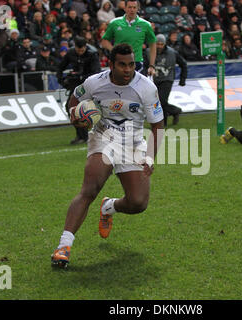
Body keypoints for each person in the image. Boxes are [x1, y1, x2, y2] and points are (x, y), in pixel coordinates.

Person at [51, 43, 164, 268]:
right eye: (122, 65)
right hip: (103, 138)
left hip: (132, 144)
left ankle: (109, 206)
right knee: (89, 189)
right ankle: (63, 246)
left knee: (138, 203)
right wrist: (76, 116)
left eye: (131, 64)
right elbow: (74, 100)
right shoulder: (94, 82)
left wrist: (150, 157)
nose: (128, 69)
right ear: (111, 64)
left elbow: (158, 126)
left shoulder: (147, 88)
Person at [57, 36, 101, 145]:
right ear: (75, 47)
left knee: (95, 110)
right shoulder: (71, 53)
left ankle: (98, 134)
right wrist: (61, 79)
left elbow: (96, 72)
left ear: (86, 47)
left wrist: (81, 77)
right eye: (78, 50)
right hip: (77, 86)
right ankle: (81, 135)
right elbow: (60, 67)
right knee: (70, 108)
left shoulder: (92, 54)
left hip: (91, 85)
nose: (80, 52)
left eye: (82, 50)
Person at [101, 0, 157, 75]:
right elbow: (104, 42)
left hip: (136, 62)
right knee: (118, 86)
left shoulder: (146, 25)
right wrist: (115, 51)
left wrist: (152, 65)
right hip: (118, 62)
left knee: (136, 87)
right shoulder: (114, 23)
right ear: (125, 8)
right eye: (130, 7)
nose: (132, 10)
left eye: (134, 7)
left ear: (138, 9)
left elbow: (152, 44)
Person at [146, 34, 187, 126]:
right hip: (154, 80)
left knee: (162, 101)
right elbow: (145, 66)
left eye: (161, 44)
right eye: (157, 44)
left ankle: (169, 117)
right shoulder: (148, 52)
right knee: (158, 102)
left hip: (167, 79)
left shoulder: (173, 53)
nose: (159, 46)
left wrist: (182, 79)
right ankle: (171, 115)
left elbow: (183, 64)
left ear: (165, 44)